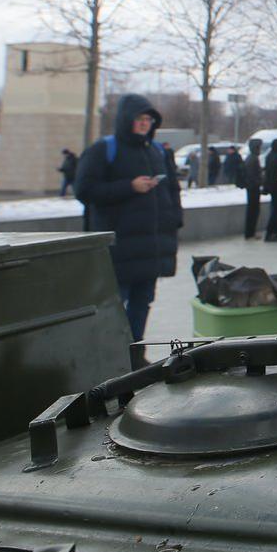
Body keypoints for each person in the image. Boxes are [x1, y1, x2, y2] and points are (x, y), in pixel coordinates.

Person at [73, 94, 182, 368]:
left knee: (142, 302)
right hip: (119, 246)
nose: (144, 124)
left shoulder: (157, 151)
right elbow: (85, 190)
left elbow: (172, 189)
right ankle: (107, 355)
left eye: (148, 120)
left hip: (151, 246)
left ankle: (134, 353)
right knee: (113, 304)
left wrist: (174, 220)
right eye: (139, 119)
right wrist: (129, 187)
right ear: (126, 120)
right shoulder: (103, 150)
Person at [240, 138, 263, 239]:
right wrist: (260, 181)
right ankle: (250, 233)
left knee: (252, 210)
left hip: (251, 187)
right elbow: (254, 175)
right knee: (253, 210)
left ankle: (250, 232)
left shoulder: (250, 158)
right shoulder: (253, 159)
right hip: (253, 187)